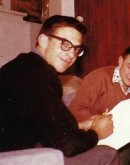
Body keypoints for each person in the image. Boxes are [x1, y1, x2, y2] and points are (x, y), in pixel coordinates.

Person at [0, 15, 119, 165]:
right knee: (107, 153)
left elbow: (44, 124)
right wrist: (97, 132)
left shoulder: (25, 65)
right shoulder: (39, 73)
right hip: (11, 159)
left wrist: (81, 126)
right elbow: (69, 145)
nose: (71, 54)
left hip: (13, 150)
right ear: (43, 40)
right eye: (65, 44)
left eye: (77, 49)